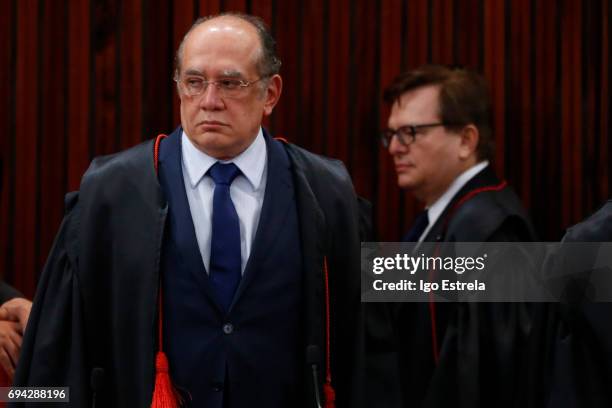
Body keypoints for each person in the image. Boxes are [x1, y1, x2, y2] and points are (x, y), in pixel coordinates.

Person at [14, 13, 363, 408]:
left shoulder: (326, 191)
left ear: (271, 93)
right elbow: (55, 352)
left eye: (230, 83)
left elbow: (369, 345)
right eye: (194, 82)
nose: (210, 101)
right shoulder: (110, 192)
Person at [367, 65, 538, 407]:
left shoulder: (491, 231)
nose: (395, 148)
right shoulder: (442, 220)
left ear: (466, 140)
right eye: (392, 134)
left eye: (411, 132)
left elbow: (491, 375)